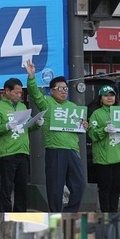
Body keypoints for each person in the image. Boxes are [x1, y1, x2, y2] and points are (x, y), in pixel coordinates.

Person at [25, 59, 87, 212]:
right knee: (55, 187)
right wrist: (31, 77)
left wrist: (85, 125)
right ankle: (55, 215)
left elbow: (81, 125)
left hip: (73, 150)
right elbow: (34, 94)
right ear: (51, 90)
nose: (63, 91)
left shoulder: (73, 107)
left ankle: (70, 212)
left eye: (65, 88)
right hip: (55, 150)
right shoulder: (47, 103)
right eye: (59, 88)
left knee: (79, 185)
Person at [0, 77, 44, 212]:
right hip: (7, 152)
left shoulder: (22, 106)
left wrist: (36, 124)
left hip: (23, 151)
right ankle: (5, 214)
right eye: (16, 92)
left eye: (21, 93)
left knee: (22, 188)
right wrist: (7, 126)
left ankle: (20, 213)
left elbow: (28, 126)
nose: (19, 95)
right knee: (7, 187)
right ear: (7, 91)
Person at [87, 85, 120, 212]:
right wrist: (104, 130)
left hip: (118, 155)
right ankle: (105, 212)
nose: (109, 98)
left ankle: (114, 211)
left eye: (112, 95)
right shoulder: (97, 113)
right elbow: (92, 134)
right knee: (105, 187)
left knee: (116, 187)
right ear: (101, 98)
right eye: (106, 95)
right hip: (103, 157)